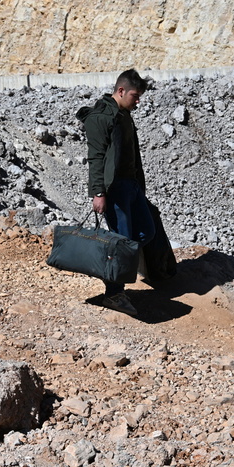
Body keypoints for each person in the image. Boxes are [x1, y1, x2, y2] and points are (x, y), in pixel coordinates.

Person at [76, 69, 156, 316]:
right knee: (122, 242)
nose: (138, 101)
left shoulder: (123, 114)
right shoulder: (101, 117)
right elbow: (96, 158)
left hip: (131, 186)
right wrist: (98, 193)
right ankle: (113, 294)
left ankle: (115, 268)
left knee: (145, 232)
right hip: (114, 189)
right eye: (135, 95)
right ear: (121, 91)